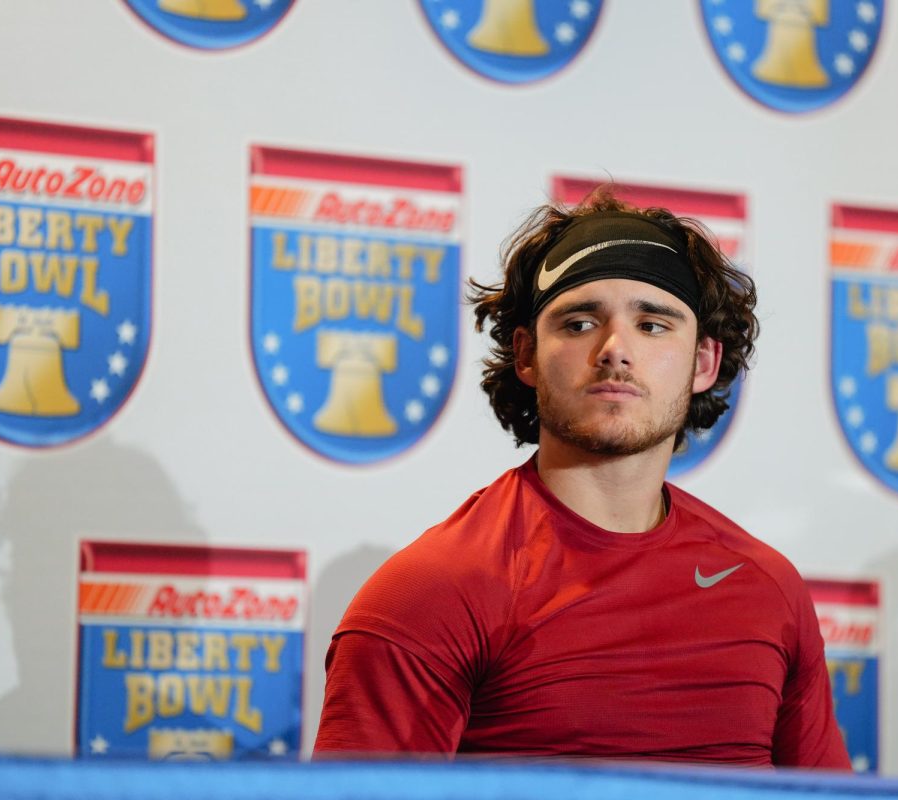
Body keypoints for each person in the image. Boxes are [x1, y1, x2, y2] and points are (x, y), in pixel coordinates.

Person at [314, 190, 850, 768]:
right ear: (526, 355)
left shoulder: (769, 589)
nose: (615, 350)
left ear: (703, 363)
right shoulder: (433, 591)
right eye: (579, 322)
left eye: (652, 324)